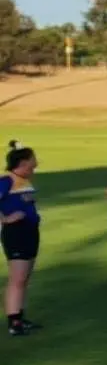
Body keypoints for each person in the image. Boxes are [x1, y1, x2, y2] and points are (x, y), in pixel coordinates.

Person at [2, 142, 40, 337]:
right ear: (24, 162)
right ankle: (13, 322)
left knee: (24, 278)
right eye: (33, 160)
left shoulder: (24, 180)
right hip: (15, 234)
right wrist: (5, 219)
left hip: (30, 232)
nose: (37, 163)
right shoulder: (7, 180)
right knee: (17, 279)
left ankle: (20, 317)